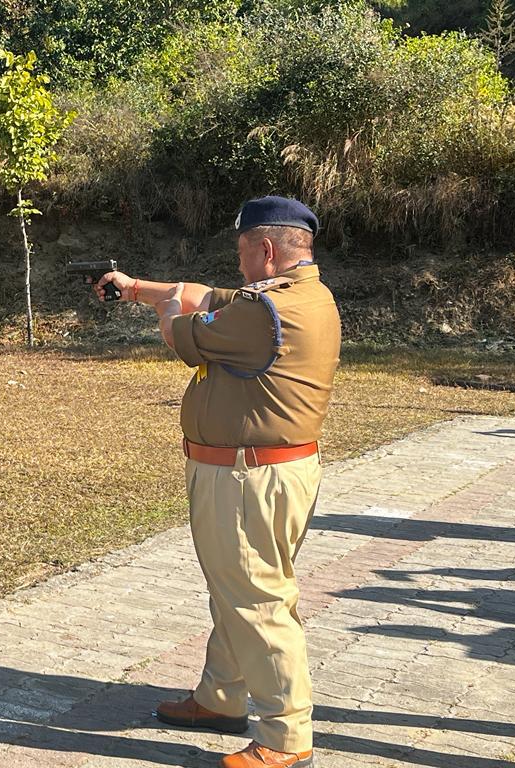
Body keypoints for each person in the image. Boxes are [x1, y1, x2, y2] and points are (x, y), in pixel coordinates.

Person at [95, 196, 341, 768]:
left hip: (246, 475)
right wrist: (134, 288)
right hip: (264, 470)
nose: (238, 264)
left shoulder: (263, 312)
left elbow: (182, 327)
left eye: (242, 251)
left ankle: (285, 737)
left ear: (265, 248)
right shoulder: (306, 296)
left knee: (256, 597)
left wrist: (167, 316)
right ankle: (222, 696)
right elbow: (201, 295)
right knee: (237, 588)